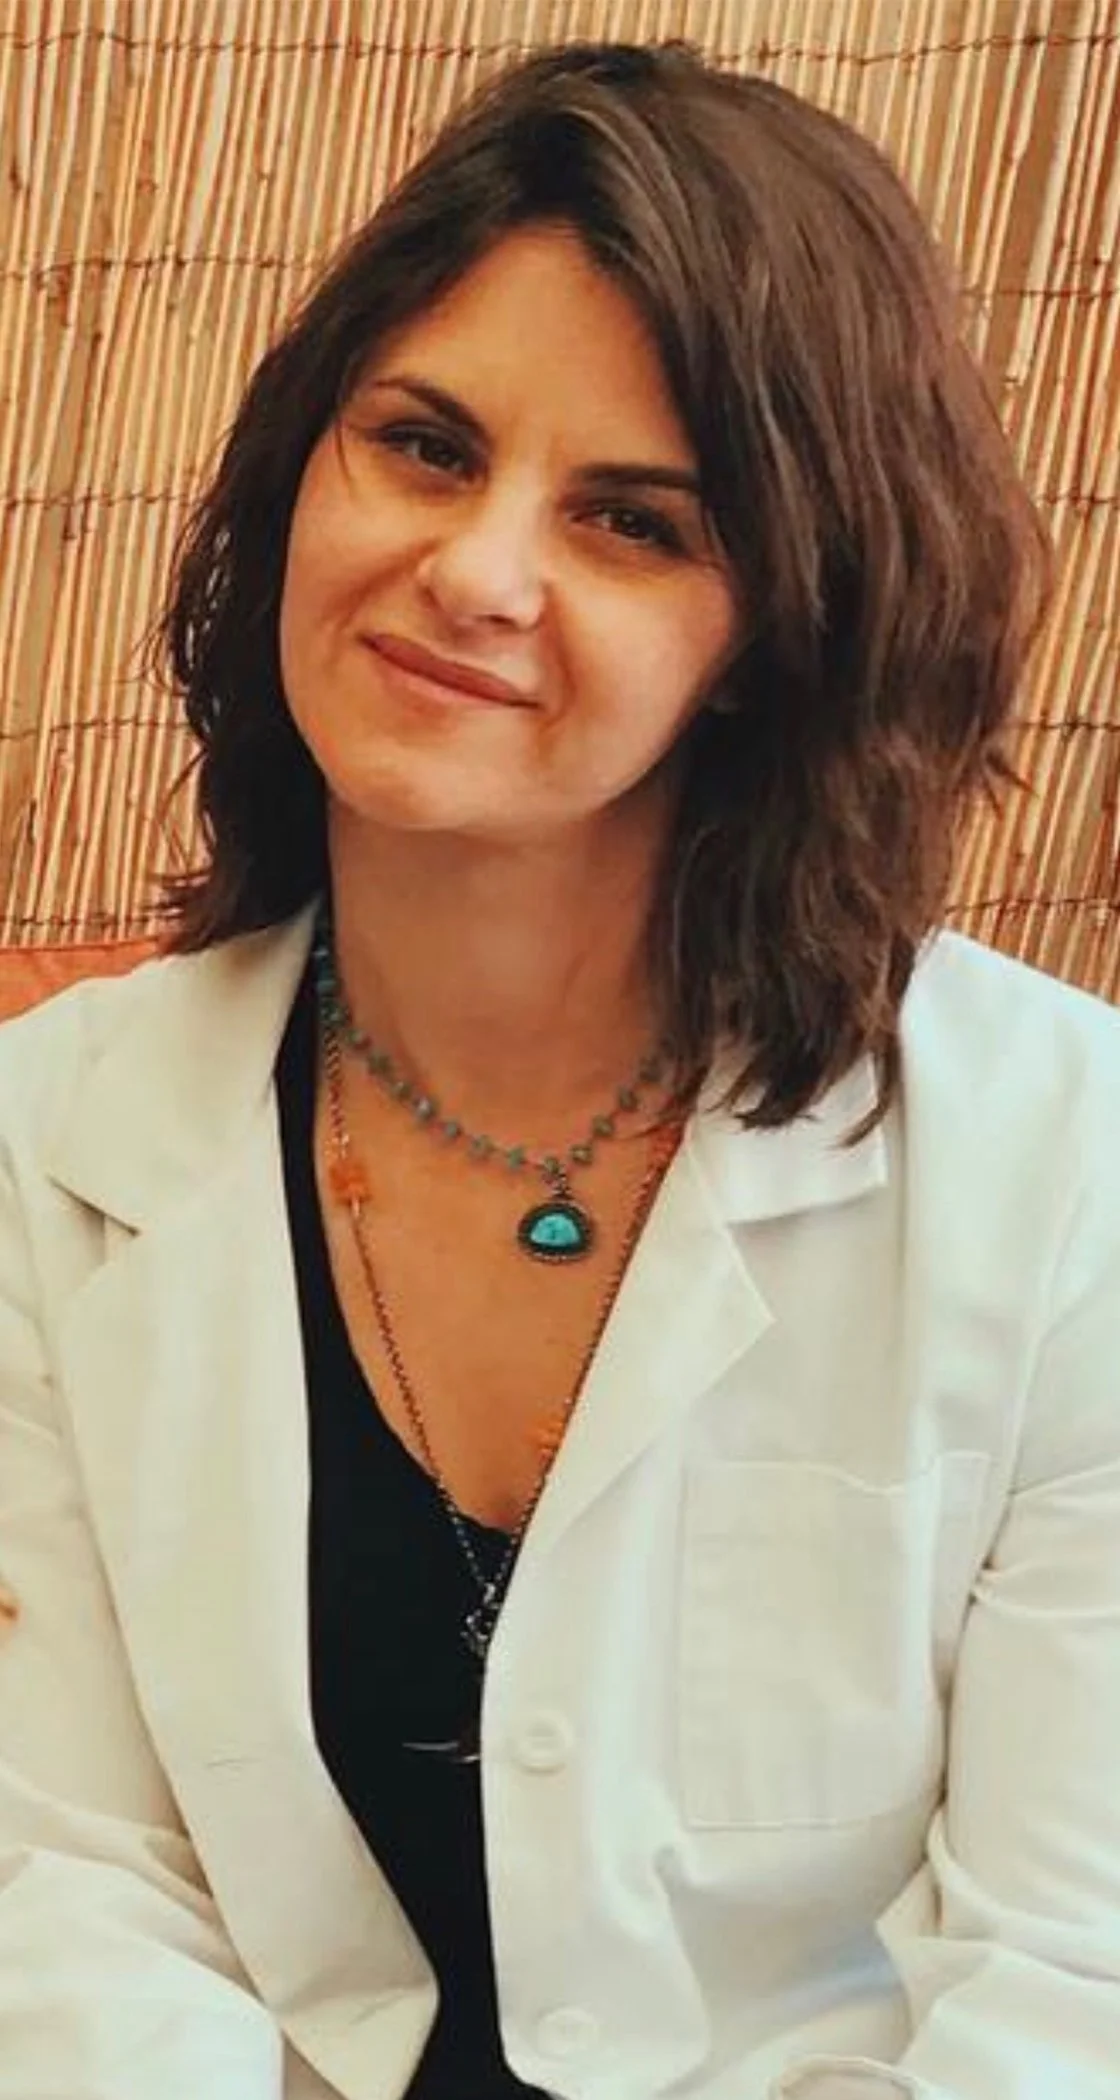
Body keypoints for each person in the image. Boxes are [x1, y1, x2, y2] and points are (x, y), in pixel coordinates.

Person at [0, 34, 1118, 2100]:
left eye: (627, 520)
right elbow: (67, 1885)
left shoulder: (1066, 1174)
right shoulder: (50, 1143)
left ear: (777, 635)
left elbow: (1068, 1983)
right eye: (423, 446)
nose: (480, 573)